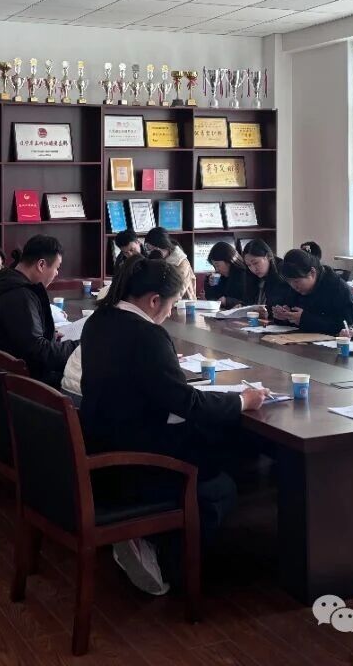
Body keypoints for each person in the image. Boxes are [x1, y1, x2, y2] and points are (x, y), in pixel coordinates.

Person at [79, 255, 268, 595]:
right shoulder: (147, 335)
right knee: (222, 476)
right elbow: (186, 403)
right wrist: (242, 400)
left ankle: (150, 538)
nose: (168, 313)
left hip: (100, 444)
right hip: (135, 460)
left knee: (217, 441)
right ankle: (171, 562)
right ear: (154, 300)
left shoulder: (99, 321)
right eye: (170, 305)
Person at [0, 235, 72, 386]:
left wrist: (48, 335)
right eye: (57, 268)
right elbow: (39, 354)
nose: (57, 273)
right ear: (41, 265)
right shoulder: (20, 295)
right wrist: (79, 346)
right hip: (15, 386)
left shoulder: (3, 281)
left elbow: (21, 336)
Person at [274, 249, 353, 335]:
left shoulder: (336, 287)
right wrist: (285, 316)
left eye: (296, 281)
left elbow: (346, 327)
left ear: (312, 272)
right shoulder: (296, 288)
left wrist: (306, 320)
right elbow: (293, 316)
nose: (293, 286)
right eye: (289, 282)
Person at [143, 227, 196, 300]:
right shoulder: (156, 260)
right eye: (148, 249)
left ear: (163, 246)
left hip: (182, 303)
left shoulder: (181, 263)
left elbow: (177, 292)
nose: (150, 253)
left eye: (153, 250)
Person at [241, 239, 290, 311]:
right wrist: (242, 305)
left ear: (268, 256)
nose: (253, 269)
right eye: (249, 265)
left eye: (256, 263)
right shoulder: (252, 276)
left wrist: (267, 312)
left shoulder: (283, 272)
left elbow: (279, 307)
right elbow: (249, 301)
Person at [204, 241, 254, 307]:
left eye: (217, 265)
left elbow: (249, 303)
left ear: (228, 261)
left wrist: (228, 301)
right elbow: (213, 300)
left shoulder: (245, 275)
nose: (216, 270)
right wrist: (211, 286)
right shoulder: (221, 277)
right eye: (214, 266)